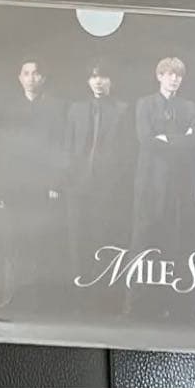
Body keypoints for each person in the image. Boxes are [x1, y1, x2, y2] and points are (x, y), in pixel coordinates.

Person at [0, 59, 69, 307]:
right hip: (14, 186)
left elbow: (61, 147)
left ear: (43, 78)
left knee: (39, 241)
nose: (31, 78)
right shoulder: (9, 109)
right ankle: (10, 296)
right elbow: (1, 151)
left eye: (36, 73)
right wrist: (0, 189)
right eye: (27, 73)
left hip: (43, 187)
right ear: (19, 78)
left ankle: (37, 300)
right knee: (12, 241)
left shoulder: (57, 108)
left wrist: (55, 184)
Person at [130, 57, 195, 316]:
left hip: (177, 184)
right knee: (143, 240)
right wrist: (180, 139)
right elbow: (145, 139)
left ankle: (168, 304)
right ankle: (136, 303)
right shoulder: (145, 104)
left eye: (178, 75)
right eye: (169, 74)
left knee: (173, 241)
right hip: (149, 183)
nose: (174, 79)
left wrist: (165, 138)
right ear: (159, 76)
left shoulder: (189, 107)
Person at [66, 62, 130, 270]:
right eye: (94, 77)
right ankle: (78, 278)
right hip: (78, 183)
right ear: (88, 81)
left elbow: (128, 152)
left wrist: (118, 180)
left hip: (108, 184)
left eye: (103, 77)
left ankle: (101, 278)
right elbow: (68, 147)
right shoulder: (76, 109)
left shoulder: (123, 110)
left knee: (103, 233)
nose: (98, 82)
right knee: (77, 235)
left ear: (111, 81)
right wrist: (69, 178)